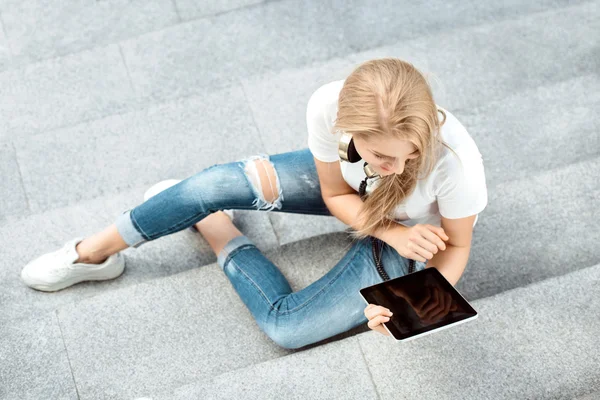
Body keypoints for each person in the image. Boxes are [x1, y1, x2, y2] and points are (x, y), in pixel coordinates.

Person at [20, 58, 487, 349]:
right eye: (375, 153)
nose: (386, 165)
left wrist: (409, 307)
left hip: (413, 237)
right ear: (352, 128)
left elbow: (458, 247)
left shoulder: (455, 166)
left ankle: (218, 229)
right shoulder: (330, 105)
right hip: (366, 207)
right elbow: (335, 193)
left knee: (288, 328)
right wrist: (387, 226)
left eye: (397, 157)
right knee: (208, 186)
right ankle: (91, 253)